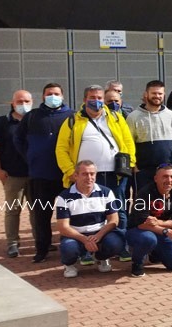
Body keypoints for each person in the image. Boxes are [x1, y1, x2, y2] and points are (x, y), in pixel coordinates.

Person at [55, 85, 135, 261]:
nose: (97, 101)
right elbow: (61, 148)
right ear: (84, 100)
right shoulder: (72, 121)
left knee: (119, 212)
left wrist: (130, 163)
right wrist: (70, 171)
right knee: (84, 213)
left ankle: (119, 247)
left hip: (115, 174)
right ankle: (84, 251)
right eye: (92, 97)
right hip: (86, 176)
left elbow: (128, 141)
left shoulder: (115, 117)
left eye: (99, 97)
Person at [16, 83, 74, 262]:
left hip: (66, 174)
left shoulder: (71, 116)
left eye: (56, 94)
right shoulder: (32, 116)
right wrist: (31, 157)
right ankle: (42, 249)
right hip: (41, 175)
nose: (53, 96)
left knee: (72, 214)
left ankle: (72, 247)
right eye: (49, 94)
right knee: (41, 214)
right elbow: (18, 139)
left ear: (62, 96)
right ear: (43, 97)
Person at [54, 160, 124, 278]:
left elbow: (114, 220)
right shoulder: (64, 197)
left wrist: (98, 236)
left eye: (92, 174)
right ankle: (69, 264)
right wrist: (84, 239)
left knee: (116, 243)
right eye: (85, 174)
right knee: (68, 248)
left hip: (100, 233)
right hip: (76, 235)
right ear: (76, 175)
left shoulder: (106, 192)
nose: (89, 177)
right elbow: (63, 227)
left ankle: (101, 257)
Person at [0, 90, 34, 257]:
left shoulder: (35, 120)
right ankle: (12, 243)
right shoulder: (2, 122)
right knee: (12, 210)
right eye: (20, 101)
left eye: (27, 101)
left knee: (37, 210)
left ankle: (40, 240)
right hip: (12, 175)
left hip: (35, 174)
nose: (23, 104)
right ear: (12, 103)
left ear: (32, 101)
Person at [126, 164, 172, 277]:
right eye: (165, 176)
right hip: (138, 231)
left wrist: (159, 223)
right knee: (148, 239)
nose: (169, 180)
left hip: (160, 230)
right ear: (156, 179)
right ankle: (137, 263)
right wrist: (166, 231)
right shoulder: (144, 193)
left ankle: (154, 253)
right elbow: (141, 223)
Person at [128, 80, 172, 177]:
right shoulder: (133, 117)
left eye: (160, 93)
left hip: (169, 170)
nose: (157, 96)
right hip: (143, 171)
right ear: (146, 94)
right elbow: (129, 143)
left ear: (164, 95)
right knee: (147, 193)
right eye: (154, 93)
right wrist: (134, 167)